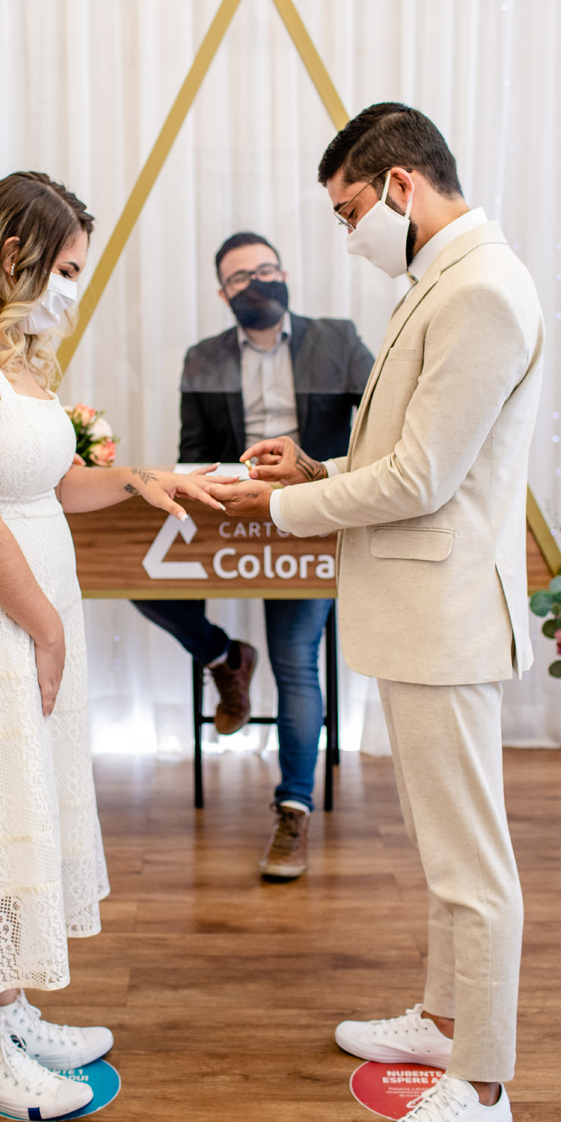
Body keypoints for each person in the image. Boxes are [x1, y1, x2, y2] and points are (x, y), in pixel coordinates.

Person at [207, 105, 543, 1122]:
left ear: (400, 186)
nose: (348, 235)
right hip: (417, 607)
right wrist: (317, 469)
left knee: (470, 862)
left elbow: (423, 480)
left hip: (447, 611)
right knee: (443, 849)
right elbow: (404, 452)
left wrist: (281, 508)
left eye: (350, 210)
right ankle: (443, 1020)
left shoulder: (481, 289)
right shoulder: (440, 283)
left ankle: (480, 1084)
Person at [0, 172, 224, 1121]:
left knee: (15, 806)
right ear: (13, 254)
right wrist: (50, 627)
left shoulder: (10, 355)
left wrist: (140, 478)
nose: (72, 286)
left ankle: (9, 1008)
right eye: (65, 267)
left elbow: (55, 485)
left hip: (21, 609)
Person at [132, 232, 372, 877]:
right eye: (242, 277)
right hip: (232, 514)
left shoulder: (337, 339)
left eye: (267, 270)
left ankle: (293, 809)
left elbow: (384, 427)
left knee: (295, 659)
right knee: (136, 577)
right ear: (224, 294)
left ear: (284, 275)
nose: (258, 282)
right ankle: (223, 656)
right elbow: (191, 452)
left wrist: (325, 477)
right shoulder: (203, 358)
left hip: (313, 516)